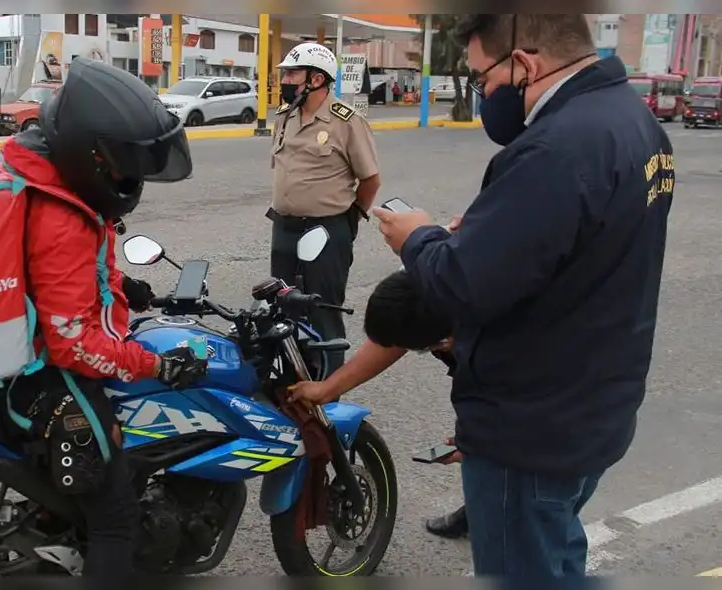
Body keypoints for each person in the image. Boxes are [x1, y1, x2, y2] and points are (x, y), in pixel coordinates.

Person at [371, 14, 675, 578]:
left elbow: (460, 286)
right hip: (593, 403)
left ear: (526, 64)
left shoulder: (556, 147)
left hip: (533, 424)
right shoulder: (633, 122)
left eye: (482, 78)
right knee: (557, 552)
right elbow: (586, 243)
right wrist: (497, 234)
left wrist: (417, 237)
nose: (484, 93)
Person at [1, 57, 209, 578]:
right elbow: (76, 345)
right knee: (116, 515)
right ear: (86, 150)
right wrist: (154, 367)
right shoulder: (60, 215)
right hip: (46, 371)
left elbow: (74, 275)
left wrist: (121, 289)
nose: (128, 175)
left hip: (31, 346)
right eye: (121, 162)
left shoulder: (53, 176)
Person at [288, 268, 469, 539]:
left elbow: (530, 412)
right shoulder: (428, 285)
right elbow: (395, 337)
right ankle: (483, 503)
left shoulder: (512, 341)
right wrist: (328, 388)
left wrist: (485, 444)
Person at [269, 42, 381, 374]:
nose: (286, 80)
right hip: (285, 227)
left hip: (327, 229)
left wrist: (350, 219)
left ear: (317, 79)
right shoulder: (284, 117)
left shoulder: (346, 122)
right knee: (283, 308)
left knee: (323, 309)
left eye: (292, 73)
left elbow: (371, 180)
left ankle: (329, 388)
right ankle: (292, 382)